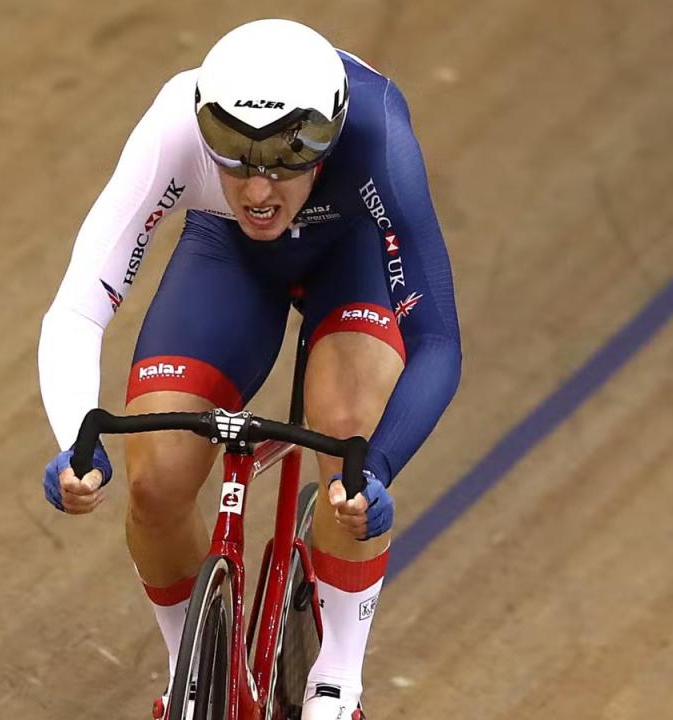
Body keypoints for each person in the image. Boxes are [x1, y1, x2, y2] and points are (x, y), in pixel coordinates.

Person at [38, 18, 461, 720]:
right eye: (235, 155)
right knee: (155, 483)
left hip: (347, 255)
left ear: (332, 129)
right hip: (226, 258)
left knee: (348, 438)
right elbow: (80, 306)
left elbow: (437, 339)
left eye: (290, 157)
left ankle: (336, 683)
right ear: (205, 124)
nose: (260, 189)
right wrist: (76, 440)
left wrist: (378, 465)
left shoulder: (378, 130)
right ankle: (189, 672)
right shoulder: (174, 120)